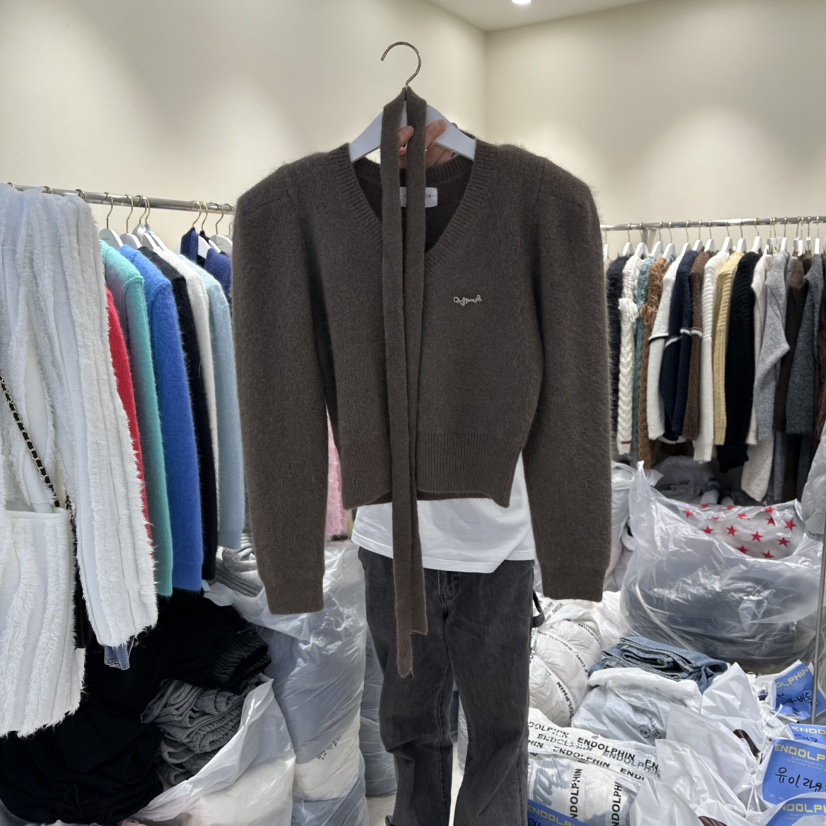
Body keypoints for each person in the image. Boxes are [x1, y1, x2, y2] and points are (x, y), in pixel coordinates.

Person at [353, 119, 538, 826]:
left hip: (498, 535)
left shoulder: (519, 228)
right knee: (412, 730)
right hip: (391, 535)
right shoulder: (356, 235)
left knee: (498, 734)